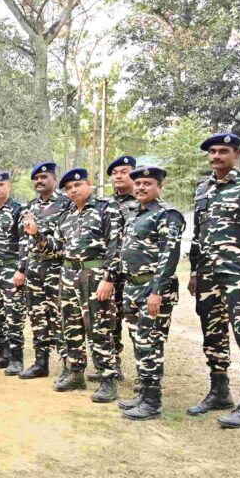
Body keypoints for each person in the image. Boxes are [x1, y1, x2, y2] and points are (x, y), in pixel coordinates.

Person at [187, 133, 240, 428]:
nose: (216, 156)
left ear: (236, 154)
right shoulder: (203, 189)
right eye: (212, 151)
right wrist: (195, 272)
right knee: (212, 333)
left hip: (238, 274)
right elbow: (198, 235)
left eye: (223, 151)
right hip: (208, 274)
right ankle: (220, 392)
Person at [27, 168, 120, 403]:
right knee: (71, 327)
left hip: (94, 274)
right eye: (68, 188)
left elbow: (115, 246)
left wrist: (108, 278)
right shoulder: (66, 215)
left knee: (99, 328)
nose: (73, 190)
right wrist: (37, 235)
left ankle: (107, 379)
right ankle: (76, 373)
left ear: (89, 184)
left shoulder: (105, 208)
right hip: (68, 274)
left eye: (77, 185)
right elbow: (56, 248)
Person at [116, 167, 185, 420]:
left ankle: (152, 402)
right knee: (139, 341)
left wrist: (157, 292)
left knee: (150, 343)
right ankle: (144, 393)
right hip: (133, 287)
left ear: (159, 187)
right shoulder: (135, 213)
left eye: (147, 183)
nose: (141, 187)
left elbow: (169, 256)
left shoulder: (167, 214)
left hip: (153, 290)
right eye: (138, 183)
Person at [15, 162, 69, 379]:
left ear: (55, 179)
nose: (39, 181)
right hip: (34, 269)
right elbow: (24, 241)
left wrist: (38, 235)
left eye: (44, 177)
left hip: (56, 268)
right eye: (36, 178)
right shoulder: (30, 207)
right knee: (37, 316)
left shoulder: (66, 204)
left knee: (60, 317)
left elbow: (64, 242)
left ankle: (68, 366)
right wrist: (21, 268)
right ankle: (40, 363)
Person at [0, 171, 27, 375]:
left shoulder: (18, 209)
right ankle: (4, 354)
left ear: (9, 186)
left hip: (11, 269)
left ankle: (17, 359)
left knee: (13, 315)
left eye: (2, 185)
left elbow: (25, 241)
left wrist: (21, 269)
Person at [99, 155, 138, 382]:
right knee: (108, 321)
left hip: (132, 274)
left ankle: (144, 375)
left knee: (136, 324)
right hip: (108, 274)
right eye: (114, 173)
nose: (119, 176)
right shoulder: (104, 204)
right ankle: (113, 365)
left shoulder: (144, 201)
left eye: (124, 171)